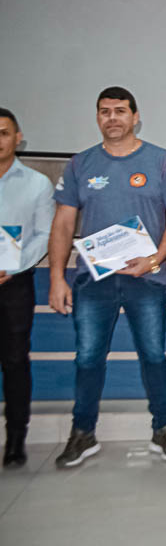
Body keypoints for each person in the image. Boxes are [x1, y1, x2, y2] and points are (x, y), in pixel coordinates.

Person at [48, 86, 166, 468]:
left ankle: (164, 430)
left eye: (120, 111)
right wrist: (56, 278)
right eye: (104, 111)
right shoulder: (81, 164)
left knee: (153, 356)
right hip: (93, 282)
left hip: (146, 280)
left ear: (135, 116)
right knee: (88, 358)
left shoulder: (161, 161)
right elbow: (63, 223)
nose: (112, 118)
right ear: (98, 117)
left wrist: (155, 259)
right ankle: (83, 433)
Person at [0, 108, 55, 467]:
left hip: (13, 286)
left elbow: (45, 236)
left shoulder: (37, 184)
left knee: (15, 361)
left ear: (18, 137)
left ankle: (15, 439)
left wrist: (11, 266)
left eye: (3, 133)